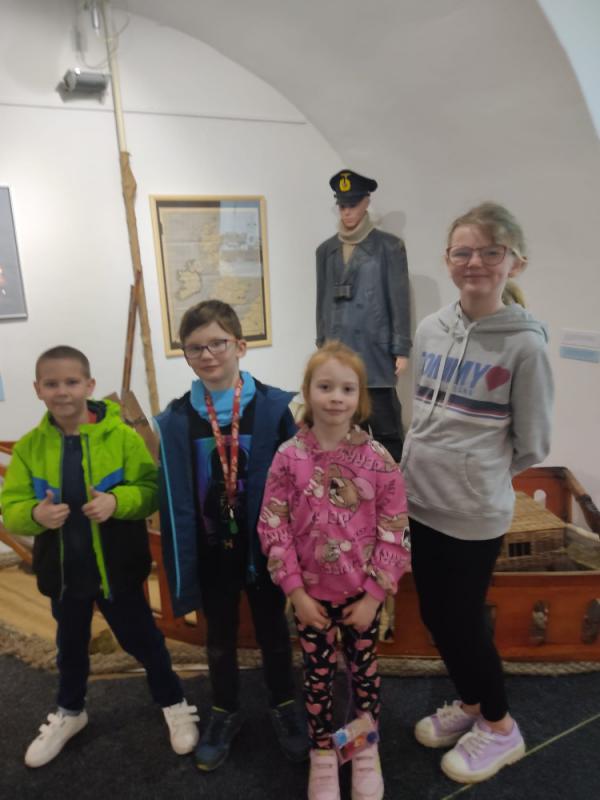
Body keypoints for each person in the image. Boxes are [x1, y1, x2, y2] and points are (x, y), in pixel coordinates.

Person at [401, 203, 554, 784]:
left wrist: (475, 473)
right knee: (436, 615)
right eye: (463, 251)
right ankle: (469, 703)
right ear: (447, 260)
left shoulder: (525, 347)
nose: (476, 263)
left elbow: (532, 443)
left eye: (491, 251)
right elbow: (425, 411)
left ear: (515, 262)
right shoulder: (430, 329)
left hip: (472, 512)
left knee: (462, 622)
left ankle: (500, 726)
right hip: (421, 501)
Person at [2, 346, 199, 768]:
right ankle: (70, 711)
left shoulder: (122, 438)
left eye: (72, 382)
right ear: (38, 389)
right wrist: (34, 514)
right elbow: (11, 505)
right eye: (51, 383)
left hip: (118, 570)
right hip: (64, 574)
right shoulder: (30, 448)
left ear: (89, 385)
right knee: (70, 646)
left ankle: (173, 700)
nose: (62, 391)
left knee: (143, 640)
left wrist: (116, 501)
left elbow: (150, 490)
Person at [154, 299, 308, 772]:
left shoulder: (277, 409)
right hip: (211, 550)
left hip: (266, 549)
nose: (207, 355)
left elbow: (301, 481)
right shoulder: (176, 420)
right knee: (218, 637)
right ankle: (224, 710)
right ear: (186, 356)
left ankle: (284, 703)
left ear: (240, 346)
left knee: (274, 632)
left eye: (217, 343)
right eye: (195, 347)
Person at [258, 341, 410, 800]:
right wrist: (295, 592)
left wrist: (375, 596)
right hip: (311, 600)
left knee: (364, 676)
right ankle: (323, 753)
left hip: (361, 598)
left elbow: (395, 528)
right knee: (318, 678)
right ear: (308, 391)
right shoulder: (288, 457)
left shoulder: (378, 459)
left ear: (360, 396)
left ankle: (362, 749)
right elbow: (273, 524)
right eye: (325, 387)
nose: (336, 398)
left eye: (347, 388)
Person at [315, 169, 411, 461]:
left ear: (367, 202)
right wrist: (322, 345)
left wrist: (400, 348)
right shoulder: (326, 251)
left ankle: (392, 483)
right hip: (339, 353)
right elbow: (321, 301)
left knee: (387, 432)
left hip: (375, 352)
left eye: (353, 205)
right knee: (343, 431)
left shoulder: (389, 247)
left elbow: (399, 298)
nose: (347, 212)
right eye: (342, 205)